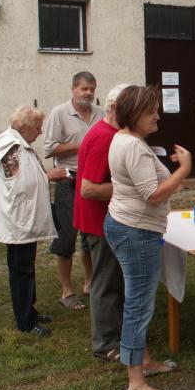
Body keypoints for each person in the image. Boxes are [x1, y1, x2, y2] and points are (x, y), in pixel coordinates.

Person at [104, 85, 191, 390]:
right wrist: (185, 169)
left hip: (126, 226)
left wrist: (171, 181)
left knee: (137, 301)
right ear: (135, 114)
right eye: (151, 110)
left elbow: (153, 185)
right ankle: (136, 384)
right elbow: (153, 195)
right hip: (136, 232)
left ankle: (144, 362)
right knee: (139, 306)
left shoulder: (125, 139)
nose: (157, 115)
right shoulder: (133, 146)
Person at [0, 106, 67, 336]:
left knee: (26, 267)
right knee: (21, 270)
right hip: (18, 221)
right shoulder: (10, 149)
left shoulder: (18, 145)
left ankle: (28, 310)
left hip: (22, 219)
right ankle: (25, 320)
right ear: (26, 127)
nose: (40, 132)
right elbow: (18, 185)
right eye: (39, 127)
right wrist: (48, 176)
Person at [73, 84, 128, 361]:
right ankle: (106, 343)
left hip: (105, 221)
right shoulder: (104, 137)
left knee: (112, 280)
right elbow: (88, 189)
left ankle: (115, 335)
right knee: (105, 282)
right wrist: (132, 186)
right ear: (116, 108)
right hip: (100, 223)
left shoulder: (111, 133)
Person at [44, 71, 105, 311]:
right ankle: (67, 290)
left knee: (91, 236)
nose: (88, 93)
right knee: (66, 236)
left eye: (91, 89)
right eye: (83, 89)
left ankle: (89, 281)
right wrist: (83, 144)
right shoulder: (59, 113)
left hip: (94, 182)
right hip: (69, 181)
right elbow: (48, 149)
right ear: (73, 89)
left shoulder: (100, 114)